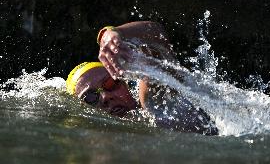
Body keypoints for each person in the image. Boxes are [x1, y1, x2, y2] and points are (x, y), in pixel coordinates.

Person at [66, 21, 218, 135]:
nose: (105, 97)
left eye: (111, 83)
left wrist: (111, 33)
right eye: (90, 97)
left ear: (125, 83)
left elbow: (157, 39)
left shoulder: (153, 103)